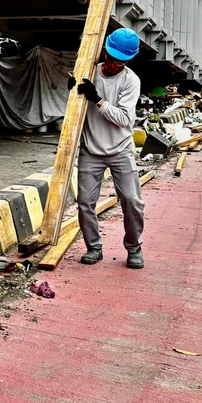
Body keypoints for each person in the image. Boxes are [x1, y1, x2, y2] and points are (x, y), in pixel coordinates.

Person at [70, 28, 146, 269]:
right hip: (91, 148)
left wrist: (97, 99)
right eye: (111, 58)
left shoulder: (130, 81)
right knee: (85, 203)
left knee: (132, 201)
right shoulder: (89, 71)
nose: (113, 64)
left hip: (120, 149)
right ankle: (94, 247)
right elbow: (74, 106)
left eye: (119, 62)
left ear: (128, 60)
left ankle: (134, 248)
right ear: (105, 51)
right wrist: (71, 90)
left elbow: (124, 119)